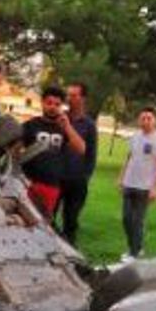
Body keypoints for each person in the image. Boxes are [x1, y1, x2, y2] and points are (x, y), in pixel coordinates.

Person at [20, 86, 84, 217]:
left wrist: (67, 126)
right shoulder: (30, 125)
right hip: (28, 182)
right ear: (42, 103)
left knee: (43, 221)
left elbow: (81, 149)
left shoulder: (64, 127)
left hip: (51, 184)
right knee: (22, 217)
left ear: (61, 106)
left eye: (57, 104)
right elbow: (15, 151)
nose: (52, 107)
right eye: (49, 103)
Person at [118, 106, 156, 259]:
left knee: (137, 221)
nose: (145, 121)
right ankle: (134, 247)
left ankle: (134, 252)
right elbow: (129, 158)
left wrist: (155, 188)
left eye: (149, 118)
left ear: (155, 121)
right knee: (126, 219)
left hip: (145, 187)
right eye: (143, 118)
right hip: (129, 184)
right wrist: (121, 178)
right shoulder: (135, 136)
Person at [55, 82, 98, 243]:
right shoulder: (59, 118)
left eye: (74, 95)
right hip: (56, 177)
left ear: (83, 98)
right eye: (68, 95)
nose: (69, 98)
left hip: (77, 181)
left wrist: (85, 176)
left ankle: (70, 249)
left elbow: (91, 154)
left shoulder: (89, 125)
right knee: (47, 215)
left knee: (71, 220)